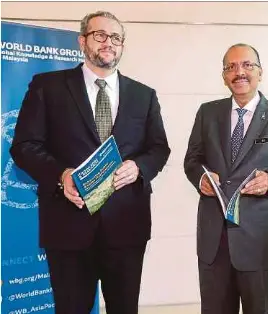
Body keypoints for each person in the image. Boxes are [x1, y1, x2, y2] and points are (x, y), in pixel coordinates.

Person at [10, 11, 170, 314]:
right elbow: (24, 146)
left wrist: (139, 168)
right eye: (100, 35)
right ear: (82, 41)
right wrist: (60, 174)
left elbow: (159, 148)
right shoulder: (47, 86)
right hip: (68, 225)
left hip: (126, 226)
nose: (108, 42)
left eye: (116, 38)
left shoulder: (143, 95)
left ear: (122, 46)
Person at [184, 43, 268, 314]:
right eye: (231, 67)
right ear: (224, 76)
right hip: (214, 240)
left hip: (259, 239)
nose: (239, 72)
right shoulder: (207, 112)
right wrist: (200, 178)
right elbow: (192, 160)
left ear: (260, 72)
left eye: (247, 65)